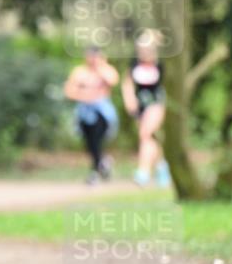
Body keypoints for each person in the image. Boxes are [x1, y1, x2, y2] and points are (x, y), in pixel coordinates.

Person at [121, 30, 171, 187]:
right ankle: (162, 167)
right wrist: (129, 100)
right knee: (152, 138)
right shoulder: (135, 64)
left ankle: (143, 172)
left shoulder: (161, 64)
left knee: (146, 134)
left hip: (156, 103)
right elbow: (127, 82)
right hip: (140, 105)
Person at [64, 47, 119, 184]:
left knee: (96, 140)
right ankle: (103, 163)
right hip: (84, 112)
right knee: (89, 143)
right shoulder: (80, 72)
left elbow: (113, 81)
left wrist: (99, 67)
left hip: (102, 112)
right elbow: (69, 91)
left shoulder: (106, 70)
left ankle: (94, 172)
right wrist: (85, 95)